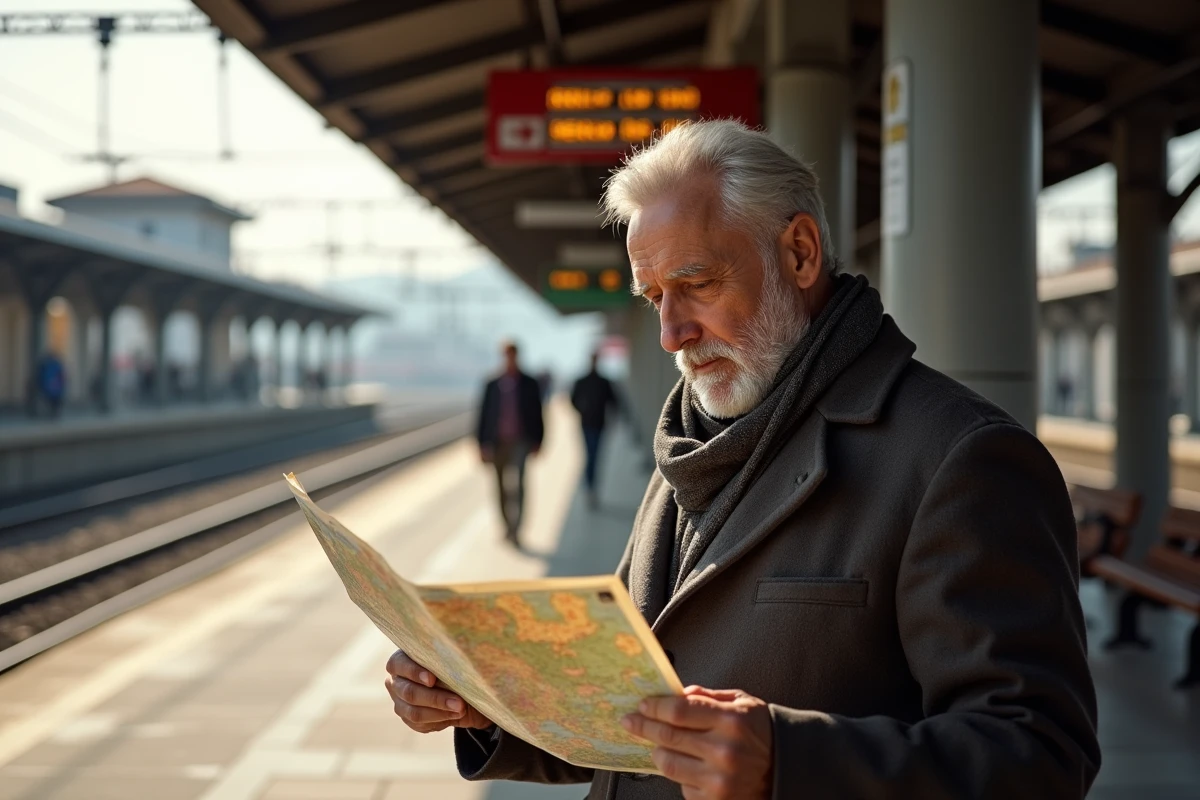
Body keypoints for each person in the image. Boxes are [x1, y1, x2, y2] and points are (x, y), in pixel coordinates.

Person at [385, 120, 1100, 798]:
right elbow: (635, 706)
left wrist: (789, 764)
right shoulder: (698, 439)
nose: (670, 333)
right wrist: (487, 704)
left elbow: (1041, 755)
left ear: (798, 253)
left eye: (697, 284)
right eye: (654, 296)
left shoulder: (961, 458)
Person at [476, 342, 544, 546]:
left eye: (512, 354)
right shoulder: (492, 383)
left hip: (521, 441)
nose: (509, 358)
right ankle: (506, 525)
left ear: (517, 355)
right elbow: (483, 414)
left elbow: (538, 413)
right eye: (506, 355)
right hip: (497, 443)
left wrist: (539, 440)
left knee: (519, 484)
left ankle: (517, 529)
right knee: (500, 487)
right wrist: (480, 444)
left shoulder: (529, 382)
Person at [571, 351, 622, 509]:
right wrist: (582, 409)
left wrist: (612, 419)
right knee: (590, 454)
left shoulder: (603, 382)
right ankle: (590, 487)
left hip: (599, 424)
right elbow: (572, 399)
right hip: (586, 423)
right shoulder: (582, 381)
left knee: (595, 455)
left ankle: (591, 487)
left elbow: (614, 401)